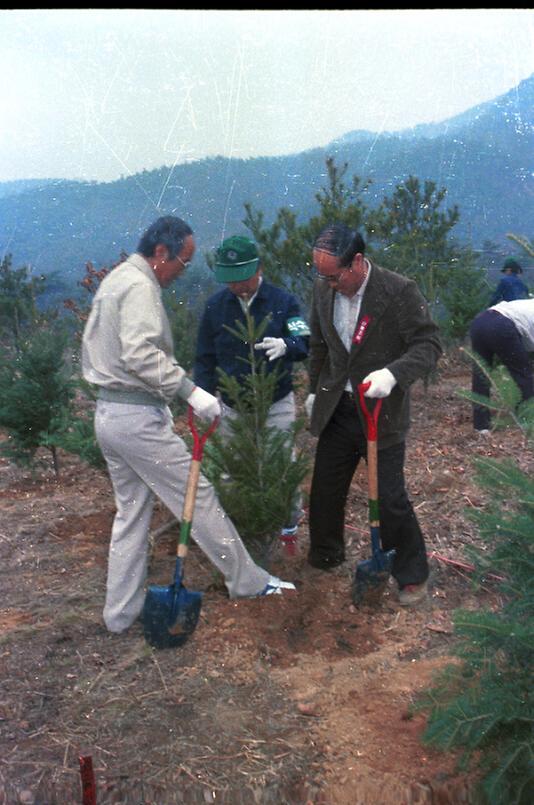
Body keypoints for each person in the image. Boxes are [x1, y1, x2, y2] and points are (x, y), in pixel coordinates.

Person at [81, 216, 295, 634]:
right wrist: (189, 391)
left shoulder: (117, 279)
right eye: (183, 260)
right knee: (197, 496)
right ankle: (248, 582)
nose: (183, 270)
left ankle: (120, 614)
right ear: (161, 253)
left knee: (131, 513)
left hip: (108, 414)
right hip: (135, 418)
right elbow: (140, 353)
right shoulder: (140, 285)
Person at [305, 223, 442, 606]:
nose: (329, 283)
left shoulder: (397, 291)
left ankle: (412, 574)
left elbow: (429, 343)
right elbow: (319, 345)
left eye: (334, 276)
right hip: (339, 408)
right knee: (325, 489)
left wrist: (393, 374)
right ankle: (326, 556)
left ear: (358, 262)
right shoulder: (323, 291)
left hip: (381, 408)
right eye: (322, 275)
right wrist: (314, 391)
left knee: (389, 495)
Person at [194, 235, 310, 540]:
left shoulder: (284, 302)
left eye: (242, 278)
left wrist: (288, 345)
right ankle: (239, 530)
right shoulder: (216, 307)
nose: (237, 287)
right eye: (230, 280)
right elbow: (204, 357)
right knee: (233, 470)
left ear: (258, 268)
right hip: (232, 406)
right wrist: (202, 396)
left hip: (276, 402)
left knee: (282, 464)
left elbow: (305, 341)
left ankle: (288, 527)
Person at [469, 298, 534, 434]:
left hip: (480, 322)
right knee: (524, 375)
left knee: (481, 374)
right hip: (502, 325)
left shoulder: (527, 304)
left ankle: (481, 426)